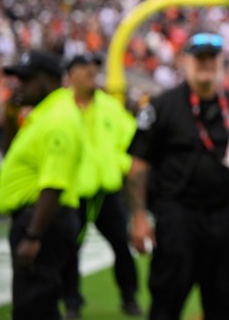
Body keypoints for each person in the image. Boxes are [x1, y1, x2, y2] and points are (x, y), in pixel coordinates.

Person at [126, 32, 229, 320]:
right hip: (178, 217)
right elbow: (138, 165)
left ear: (221, 62)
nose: (206, 64)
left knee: (225, 301)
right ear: (185, 62)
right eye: (200, 58)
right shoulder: (161, 106)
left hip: (226, 217)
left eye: (212, 58)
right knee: (167, 299)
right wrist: (140, 217)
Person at [0, 49, 84, 320]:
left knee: (33, 307)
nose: (18, 86)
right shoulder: (46, 113)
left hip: (42, 220)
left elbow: (53, 183)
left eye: (25, 80)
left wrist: (33, 236)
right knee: (34, 305)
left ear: (47, 80)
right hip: (41, 218)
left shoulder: (57, 119)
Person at [60, 52, 141, 318]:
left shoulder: (109, 106)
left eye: (94, 68)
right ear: (71, 75)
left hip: (107, 191)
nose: (91, 72)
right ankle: (72, 303)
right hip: (75, 193)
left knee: (121, 246)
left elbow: (131, 140)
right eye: (84, 68)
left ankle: (129, 297)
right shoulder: (60, 109)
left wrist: (122, 164)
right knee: (70, 251)